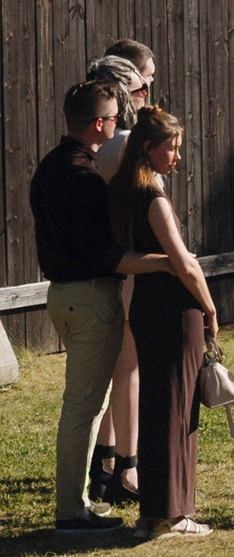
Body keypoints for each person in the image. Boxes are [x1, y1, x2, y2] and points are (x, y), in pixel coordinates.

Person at [34, 79, 168, 534]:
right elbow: (104, 254)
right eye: (114, 118)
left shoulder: (52, 166)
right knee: (83, 408)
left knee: (85, 405)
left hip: (65, 297)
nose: (118, 124)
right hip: (89, 297)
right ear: (98, 124)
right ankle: (71, 513)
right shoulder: (83, 178)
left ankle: (79, 502)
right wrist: (167, 263)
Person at [109, 107, 220, 540]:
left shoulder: (121, 191)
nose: (176, 157)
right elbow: (184, 263)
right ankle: (171, 515)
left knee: (158, 408)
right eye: (171, 148)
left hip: (146, 309)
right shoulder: (152, 197)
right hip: (176, 313)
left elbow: (126, 257)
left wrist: (163, 266)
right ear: (148, 148)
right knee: (177, 412)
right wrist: (210, 308)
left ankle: (150, 514)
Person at [88, 47, 151, 507]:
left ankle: (106, 460)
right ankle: (127, 468)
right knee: (128, 368)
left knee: (117, 369)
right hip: (129, 265)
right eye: (142, 88)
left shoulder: (92, 144)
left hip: (104, 266)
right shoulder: (125, 144)